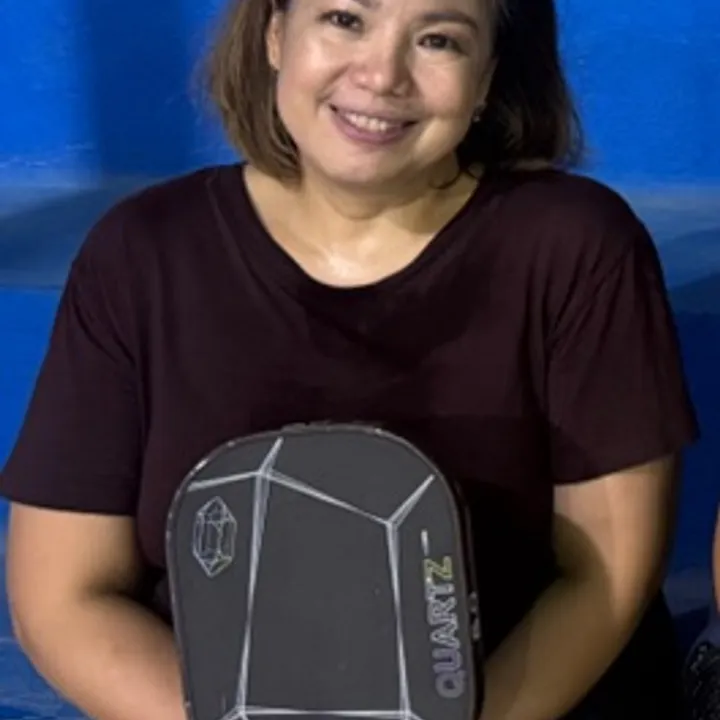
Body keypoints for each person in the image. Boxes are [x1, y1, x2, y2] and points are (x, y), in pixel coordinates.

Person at [0, 0, 699, 717]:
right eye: (345, 19)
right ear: (276, 34)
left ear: (488, 77)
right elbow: (63, 598)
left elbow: (606, 576)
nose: (381, 74)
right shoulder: (141, 254)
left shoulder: (577, 246)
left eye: (438, 40)